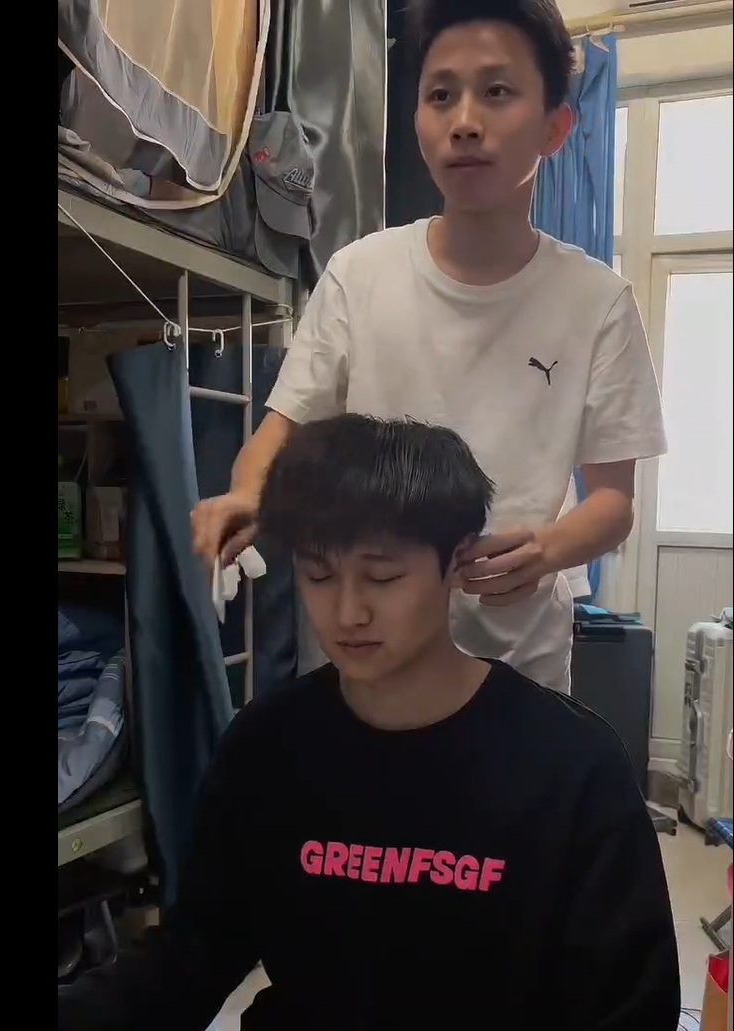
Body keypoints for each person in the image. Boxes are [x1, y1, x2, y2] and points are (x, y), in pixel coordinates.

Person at [59, 415, 682, 1031]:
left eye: (382, 577)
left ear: (455, 563)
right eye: (319, 575)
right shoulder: (269, 745)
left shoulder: (569, 762)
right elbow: (186, 969)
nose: (348, 611)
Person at [191, 0, 667, 694]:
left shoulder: (597, 302)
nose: (464, 121)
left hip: (514, 663)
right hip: (361, 655)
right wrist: (245, 494)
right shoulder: (358, 274)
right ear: (416, 120)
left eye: (496, 92)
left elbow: (613, 502)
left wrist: (546, 549)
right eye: (440, 95)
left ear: (555, 127)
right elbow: (281, 431)